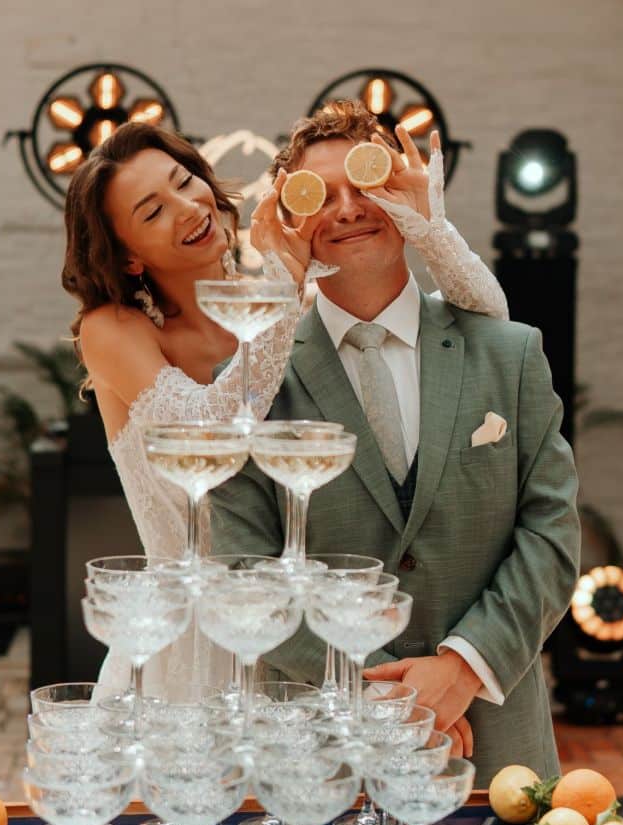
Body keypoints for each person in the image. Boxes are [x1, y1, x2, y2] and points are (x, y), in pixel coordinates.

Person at [62, 118, 511, 696]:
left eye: (184, 182)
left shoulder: (284, 308)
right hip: (187, 638)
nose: (188, 208)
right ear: (128, 258)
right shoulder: (113, 329)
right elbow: (214, 434)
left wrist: (430, 228)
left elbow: (491, 325)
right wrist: (283, 287)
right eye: (153, 212)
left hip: (297, 639)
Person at [210, 101, 580, 785]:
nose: (347, 208)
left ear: (405, 197)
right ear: (291, 219)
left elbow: (550, 534)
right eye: (318, 195)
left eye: (366, 184)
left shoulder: (510, 352)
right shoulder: (253, 383)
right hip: (318, 753)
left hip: (492, 741)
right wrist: (381, 697)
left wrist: (462, 668)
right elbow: (240, 571)